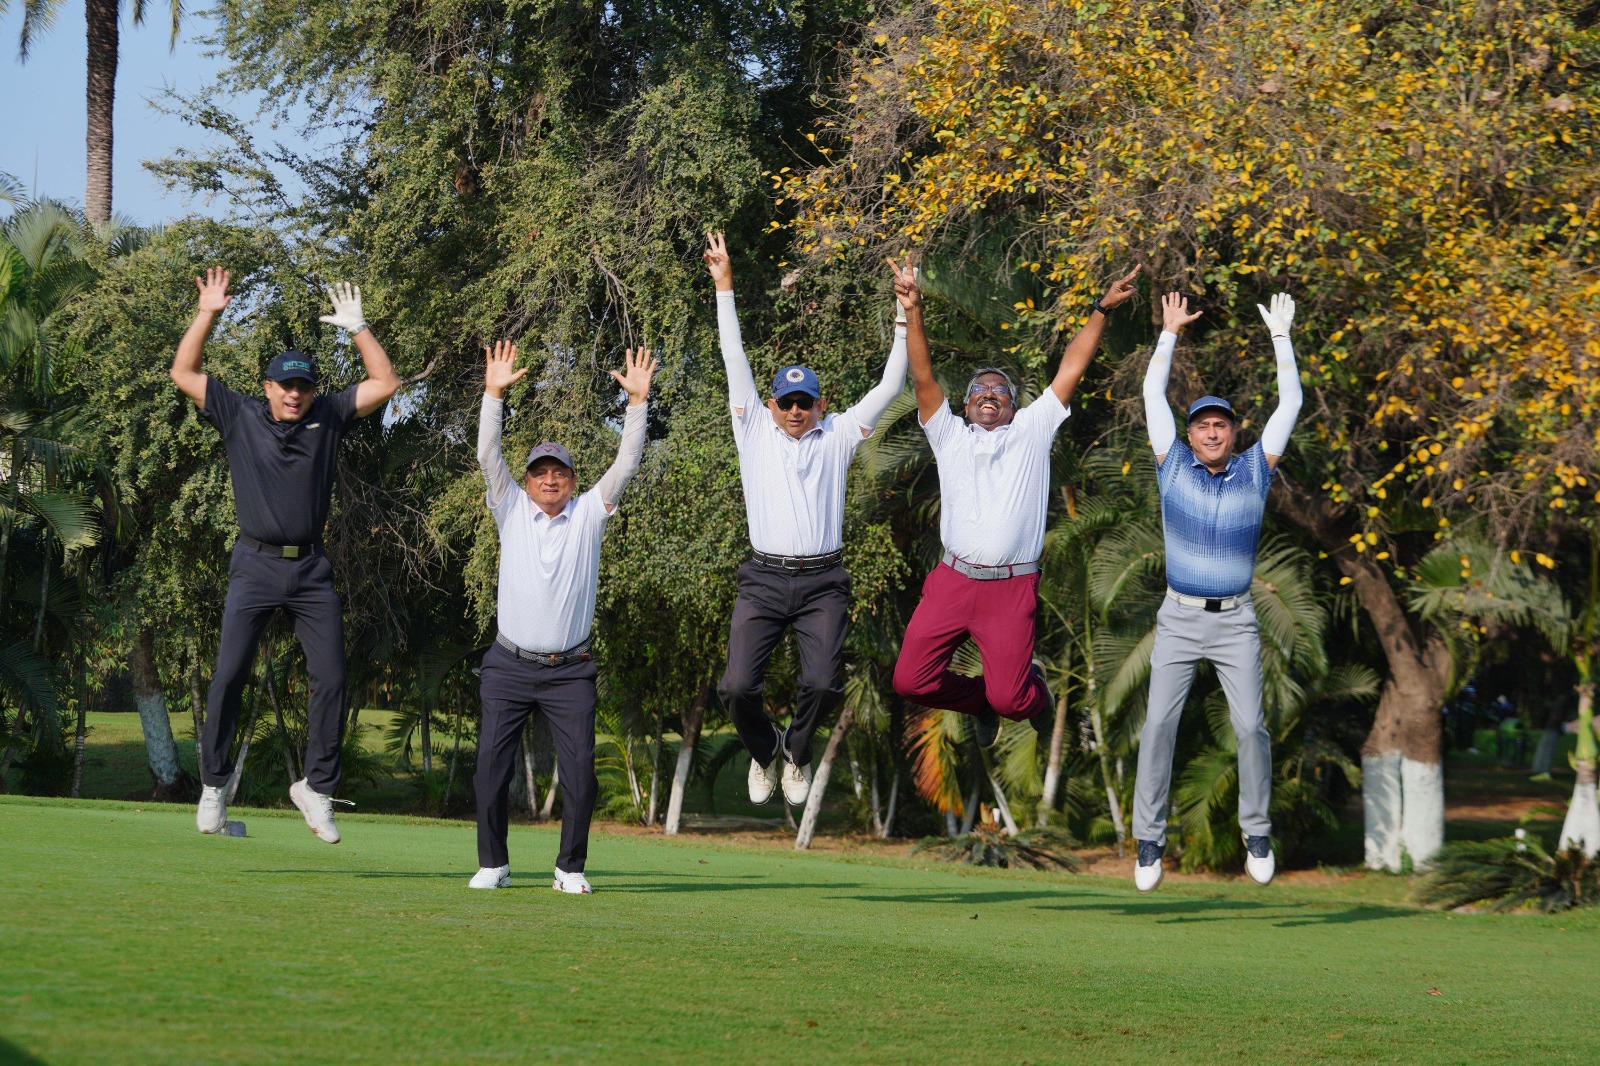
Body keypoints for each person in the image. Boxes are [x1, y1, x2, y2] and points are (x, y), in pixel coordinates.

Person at [173, 268, 401, 843]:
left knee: (331, 678)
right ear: (268, 387)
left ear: (312, 390)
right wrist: (208, 314)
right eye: (285, 386)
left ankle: (316, 788)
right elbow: (184, 372)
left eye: (303, 386)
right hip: (254, 565)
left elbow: (385, 382)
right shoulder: (238, 413)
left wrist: (360, 329)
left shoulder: (330, 416)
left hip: (311, 570)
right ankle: (215, 784)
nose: (295, 394)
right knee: (229, 675)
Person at [888, 255, 1139, 745]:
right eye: (978, 390)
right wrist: (913, 310)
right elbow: (923, 377)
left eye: (999, 390)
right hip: (954, 581)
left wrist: (1102, 308)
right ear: (965, 406)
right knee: (910, 682)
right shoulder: (948, 434)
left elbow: (1072, 365)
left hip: (1010, 589)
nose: (988, 394)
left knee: (1013, 700)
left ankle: (1032, 695)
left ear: (1013, 404)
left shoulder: (1032, 429)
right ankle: (977, 700)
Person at [703, 233, 908, 806]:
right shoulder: (752, 429)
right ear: (770, 405)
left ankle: (795, 753)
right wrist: (724, 286)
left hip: (822, 582)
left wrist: (903, 316)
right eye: (786, 403)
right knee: (736, 687)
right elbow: (733, 358)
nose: (795, 411)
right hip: (764, 579)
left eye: (805, 403)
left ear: (820, 404)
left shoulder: (838, 433)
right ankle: (765, 747)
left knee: (822, 683)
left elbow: (891, 386)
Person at [1130, 291, 1303, 893]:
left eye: (1220, 425)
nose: (1211, 431)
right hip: (1178, 618)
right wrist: (1169, 333)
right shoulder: (1171, 465)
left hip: (1235, 621)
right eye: (1203, 424)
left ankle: (1257, 832)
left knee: (1251, 727)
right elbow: (1152, 394)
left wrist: (1281, 339)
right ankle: (1149, 840)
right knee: (1159, 725)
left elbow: (1291, 402)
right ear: (1190, 434)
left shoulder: (1256, 469)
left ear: (1233, 433)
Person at [468, 341, 655, 894]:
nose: (549, 480)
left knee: (580, 776)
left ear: (572, 480)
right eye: (539, 473)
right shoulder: (509, 507)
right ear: (526, 482)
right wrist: (493, 394)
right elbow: (488, 455)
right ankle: (494, 864)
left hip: (570, 670)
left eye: (559, 473)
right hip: (508, 665)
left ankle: (569, 868)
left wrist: (637, 404)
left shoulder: (590, 513)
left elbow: (626, 464)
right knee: (489, 771)